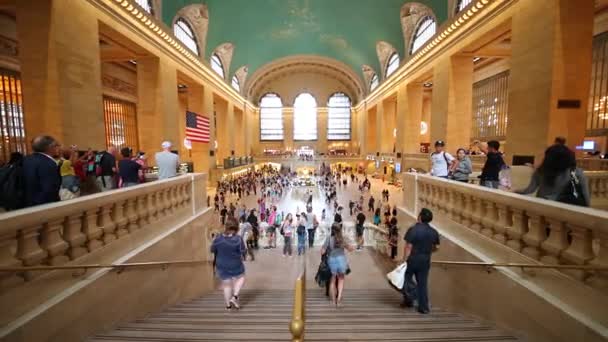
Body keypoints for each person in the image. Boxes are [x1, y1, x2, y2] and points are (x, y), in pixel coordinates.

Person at [515, 144, 590, 207]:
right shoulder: (576, 172)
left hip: (543, 207)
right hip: (565, 209)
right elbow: (585, 196)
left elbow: (529, 190)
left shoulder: (541, 172)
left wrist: (514, 191)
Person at [402, 208, 439, 314]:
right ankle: (423, 307)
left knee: (406, 279)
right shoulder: (433, 232)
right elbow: (436, 247)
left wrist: (404, 260)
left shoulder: (413, 229)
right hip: (425, 260)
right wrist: (428, 251)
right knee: (422, 283)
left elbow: (408, 246)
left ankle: (409, 300)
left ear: (420, 217)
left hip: (413, 258)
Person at [211, 217, 246, 310]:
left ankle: (228, 306)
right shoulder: (238, 239)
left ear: (226, 226)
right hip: (235, 263)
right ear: (236, 227)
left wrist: (214, 241)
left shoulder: (218, 238)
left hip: (221, 265)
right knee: (241, 277)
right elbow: (243, 251)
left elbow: (212, 250)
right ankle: (235, 297)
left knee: (227, 285)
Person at [321, 222, 355, 307]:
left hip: (332, 261)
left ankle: (333, 301)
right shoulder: (342, 239)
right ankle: (339, 300)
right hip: (342, 261)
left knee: (332, 281)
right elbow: (350, 249)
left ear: (332, 230)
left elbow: (322, 251)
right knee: (341, 280)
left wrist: (326, 251)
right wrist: (353, 246)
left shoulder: (329, 238)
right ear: (340, 230)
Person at [23, 135, 61, 207]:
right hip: (43, 205)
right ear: (50, 147)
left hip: (27, 202)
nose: (58, 148)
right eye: (56, 145)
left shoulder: (27, 159)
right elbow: (49, 189)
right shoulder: (48, 163)